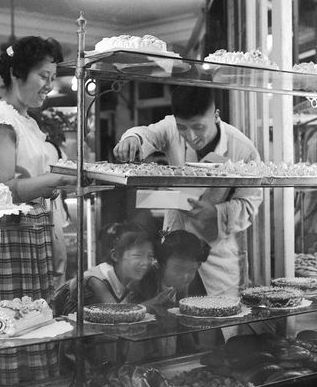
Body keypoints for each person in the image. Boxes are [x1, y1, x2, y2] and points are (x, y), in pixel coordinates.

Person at [113, 86, 263, 297]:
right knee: (173, 306)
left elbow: (250, 203)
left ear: (216, 115)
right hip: (175, 247)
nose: (191, 136)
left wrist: (217, 212)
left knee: (219, 311)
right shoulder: (171, 128)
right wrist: (133, 138)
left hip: (218, 253)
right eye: (182, 128)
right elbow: (147, 133)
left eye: (198, 127)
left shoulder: (242, 149)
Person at [0, 36, 76, 385]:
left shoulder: (27, 120)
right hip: (15, 236)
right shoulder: (2, 118)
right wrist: (59, 178)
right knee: (18, 326)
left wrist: (58, 179)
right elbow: (4, 188)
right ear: (16, 73)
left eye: (52, 77)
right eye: (43, 76)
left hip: (35, 233)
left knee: (37, 323)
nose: (49, 86)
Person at [54, 221, 157, 316]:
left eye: (150, 256)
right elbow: (117, 315)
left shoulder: (131, 279)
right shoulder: (96, 281)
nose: (145, 262)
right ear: (115, 256)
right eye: (137, 255)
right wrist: (157, 301)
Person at [136, 229, 210, 315]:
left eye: (191, 270)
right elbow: (126, 312)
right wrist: (148, 306)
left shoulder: (196, 283)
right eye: (178, 269)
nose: (185, 277)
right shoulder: (142, 280)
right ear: (161, 264)